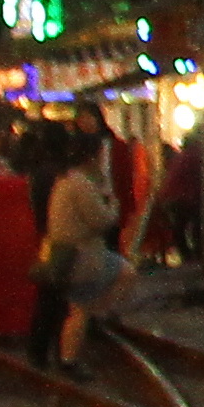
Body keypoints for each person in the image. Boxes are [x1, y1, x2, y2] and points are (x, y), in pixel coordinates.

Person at [29, 126, 121, 374]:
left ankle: (42, 355)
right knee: (77, 305)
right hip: (77, 252)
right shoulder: (80, 182)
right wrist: (113, 204)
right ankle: (67, 359)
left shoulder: (59, 176)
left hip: (56, 247)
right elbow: (101, 219)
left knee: (52, 304)